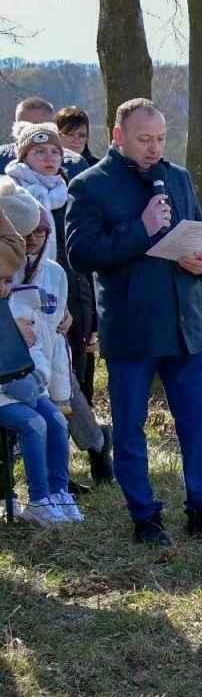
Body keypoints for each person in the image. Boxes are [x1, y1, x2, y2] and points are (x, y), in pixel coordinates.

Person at [64, 98, 202, 546]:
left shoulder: (177, 178)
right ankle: (145, 515)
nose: (154, 148)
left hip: (185, 326)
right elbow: (81, 253)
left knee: (198, 424)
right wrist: (140, 229)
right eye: (145, 139)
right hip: (132, 328)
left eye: (160, 138)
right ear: (118, 136)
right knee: (130, 429)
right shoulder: (89, 185)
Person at [8, 195, 112, 488]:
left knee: (67, 402)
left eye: (39, 232)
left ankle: (97, 445)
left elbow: (59, 306)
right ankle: (52, 478)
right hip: (14, 355)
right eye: (26, 233)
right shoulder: (6, 266)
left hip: (50, 352)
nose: (32, 239)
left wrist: (65, 317)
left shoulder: (54, 271)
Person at [0, 187, 74, 524]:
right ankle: (38, 499)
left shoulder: (47, 277)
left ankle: (58, 493)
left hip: (27, 383)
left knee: (56, 420)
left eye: (6, 281)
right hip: (4, 393)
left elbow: (48, 338)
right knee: (33, 425)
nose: (5, 287)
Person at [50, 106, 104, 435]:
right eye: (69, 134)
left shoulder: (94, 173)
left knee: (83, 358)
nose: (75, 142)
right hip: (57, 282)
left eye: (81, 136)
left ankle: (88, 429)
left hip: (84, 283)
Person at [5, 123, 70, 263]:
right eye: (40, 151)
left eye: (55, 152)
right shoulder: (8, 191)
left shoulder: (68, 193)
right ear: (23, 156)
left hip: (60, 275)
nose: (49, 158)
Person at [0, 98, 89, 179]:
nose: (33, 133)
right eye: (26, 127)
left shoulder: (74, 165)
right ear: (16, 127)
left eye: (41, 127)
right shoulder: (1, 158)